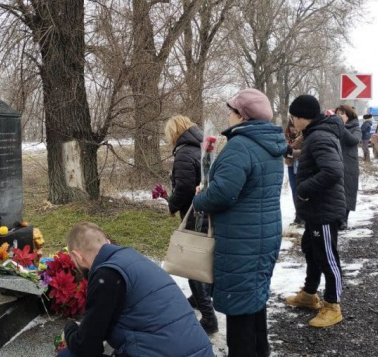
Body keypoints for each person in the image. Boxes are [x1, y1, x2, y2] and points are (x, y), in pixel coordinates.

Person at [192, 88, 285, 357]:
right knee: (254, 298)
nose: (228, 115)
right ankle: (260, 351)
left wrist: (200, 199)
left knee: (239, 307)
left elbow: (223, 194)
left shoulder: (240, 146)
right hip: (263, 233)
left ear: (242, 116)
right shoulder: (270, 145)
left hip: (241, 239)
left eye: (231, 111)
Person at [59, 222, 214, 357]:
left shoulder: (107, 275)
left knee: (68, 355)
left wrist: (70, 330)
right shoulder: (131, 259)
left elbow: (87, 347)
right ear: (107, 242)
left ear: (77, 256)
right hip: (197, 350)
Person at [285, 94, 346, 328]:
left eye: (294, 117)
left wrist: (303, 189)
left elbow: (332, 171)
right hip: (315, 208)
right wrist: (296, 154)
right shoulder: (315, 134)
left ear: (303, 117)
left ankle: (333, 305)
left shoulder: (319, 135)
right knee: (311, 250)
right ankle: (310, 294)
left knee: (327, 257)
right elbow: (318, 158)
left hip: (323, 208)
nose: (292, 122)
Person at [163, 115, 218, 334]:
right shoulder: (202, 146)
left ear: (175, 133)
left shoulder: (185, 152)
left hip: (195, 212)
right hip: (207, 211)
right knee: (205, 256)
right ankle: (199, 298)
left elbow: (185, 187)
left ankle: (208, 317)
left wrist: (171, 205)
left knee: (193, 262)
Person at [334, 105, 361, 231]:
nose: (339, 116)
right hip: (335, 162)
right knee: (335, 191)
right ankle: (336, 218)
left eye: (342, 114)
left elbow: (354, 140)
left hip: (349, 164)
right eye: (337, 113)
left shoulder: (355, 127)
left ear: (348, 116)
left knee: (348, 191)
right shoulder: (334, 126)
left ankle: (344, 219)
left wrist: (342, 128)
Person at [284, 118, 303, 226]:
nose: (293, 129)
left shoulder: (304, 135)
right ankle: (298, 215)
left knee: (300, 191)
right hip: (291, 165)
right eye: (291, 126)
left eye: (295, 126)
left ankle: (302, 216)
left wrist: (293, 152)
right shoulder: (286, 136)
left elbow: (307, 149)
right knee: (294, 190)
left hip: (301, 165)